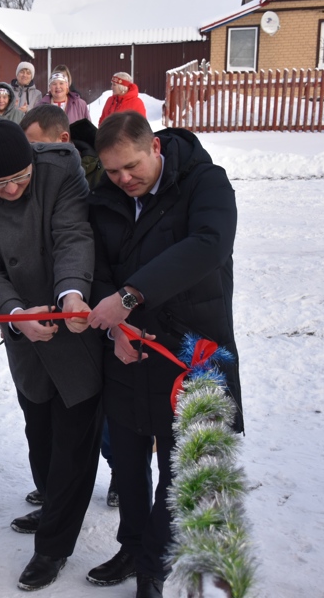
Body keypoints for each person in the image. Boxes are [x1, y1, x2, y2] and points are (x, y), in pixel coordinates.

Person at [85, 111, 242, 598]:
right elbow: (98, 265)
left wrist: (128, 298)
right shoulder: (106, 196)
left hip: (192, 349)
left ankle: (156, 562)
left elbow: (208, 246)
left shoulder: (204, 182)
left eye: (131, 167)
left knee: (181, 465)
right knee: (129, 462)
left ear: (154, 147)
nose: (124, 179)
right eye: (112, 171)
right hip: (131, 349)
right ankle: (132, 546)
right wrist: (118, 329)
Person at [0, 119, 103, 592]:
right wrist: (15, 313)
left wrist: (72, 294)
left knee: (75, 441)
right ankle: (54, 506)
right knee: (39, 429)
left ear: (32, 163)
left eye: (19, 178)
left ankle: (53, 547)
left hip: (73, 322)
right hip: (24, 332)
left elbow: (74, 236)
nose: (12, 189)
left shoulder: (59, 170)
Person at [18, 104, 120, 513]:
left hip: (102, 303)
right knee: (51, 415)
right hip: (64, 307)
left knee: (105, 408)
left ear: (61, 142)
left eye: (34, 147)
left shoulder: (98, 174)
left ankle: (118, 474)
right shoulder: (39, 180)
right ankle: (55, 493)